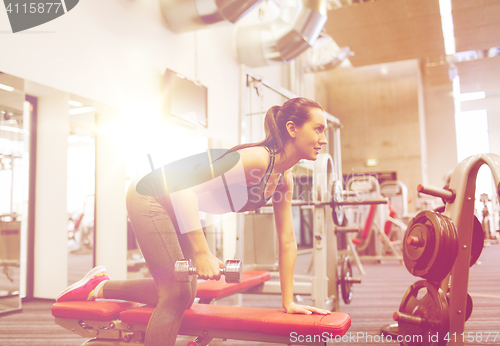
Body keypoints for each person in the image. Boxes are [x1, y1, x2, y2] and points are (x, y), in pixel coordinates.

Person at [56, 97, 330, 346]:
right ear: (293, 129)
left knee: (185, 294)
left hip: (179, 207)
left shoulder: (285, 178)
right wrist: (202, 252)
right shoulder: (256, 158)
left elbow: (287, 240)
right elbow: (184, 190)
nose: (324, 139)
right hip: (151, 195)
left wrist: (289, 300)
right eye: (318, 129)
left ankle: (99, 286)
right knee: (175, 296)